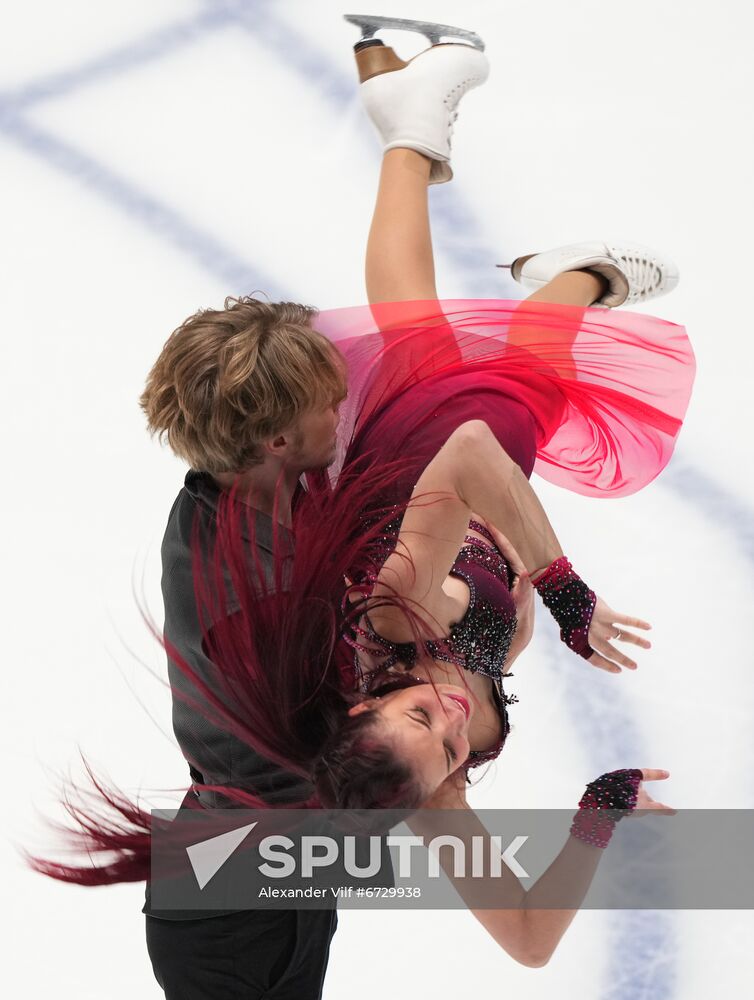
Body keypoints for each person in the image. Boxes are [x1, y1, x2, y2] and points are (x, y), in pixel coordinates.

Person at [28, 13, 689, 984]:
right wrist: (596, 818)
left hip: (428, 491)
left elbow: (464, 459)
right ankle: (409, 131)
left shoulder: (378, 617)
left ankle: (569, 280)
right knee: (419, 338)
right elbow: (527, 935)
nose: (443, 715)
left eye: (414, 718)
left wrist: (561, 591)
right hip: (419, 512)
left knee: (499, 387)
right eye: (441, 735)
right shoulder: (419, 786)